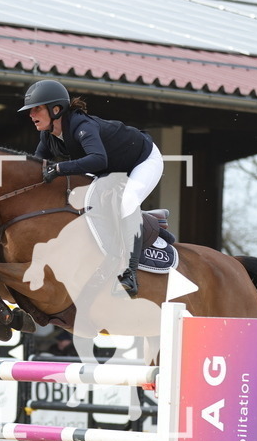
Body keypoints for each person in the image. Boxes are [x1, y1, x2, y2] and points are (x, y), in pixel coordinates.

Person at [18, 79, 163, 298]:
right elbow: (35, 166)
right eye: (30, 110)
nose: (31, 115)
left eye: (37, 109)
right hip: (112, 169)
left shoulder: (81, 126)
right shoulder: (47, 136)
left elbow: (98, 160)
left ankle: (129, 275)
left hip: (143, 160)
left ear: (55, 109)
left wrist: (59, 168)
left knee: (126, 203)